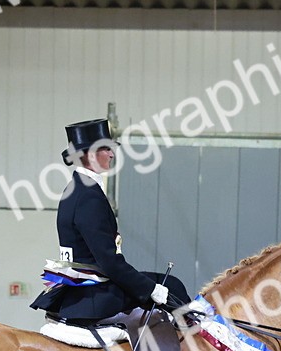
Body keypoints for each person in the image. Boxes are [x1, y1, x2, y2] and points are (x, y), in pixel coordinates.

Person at [31, 118, 192, 325]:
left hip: (78, 288)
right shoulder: (89, 196)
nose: (112, 154)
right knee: (172, 286)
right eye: (106, 149)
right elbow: (108, 261)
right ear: (90, 154)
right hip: (93, 293)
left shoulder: (74, 189)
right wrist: (149, 288)